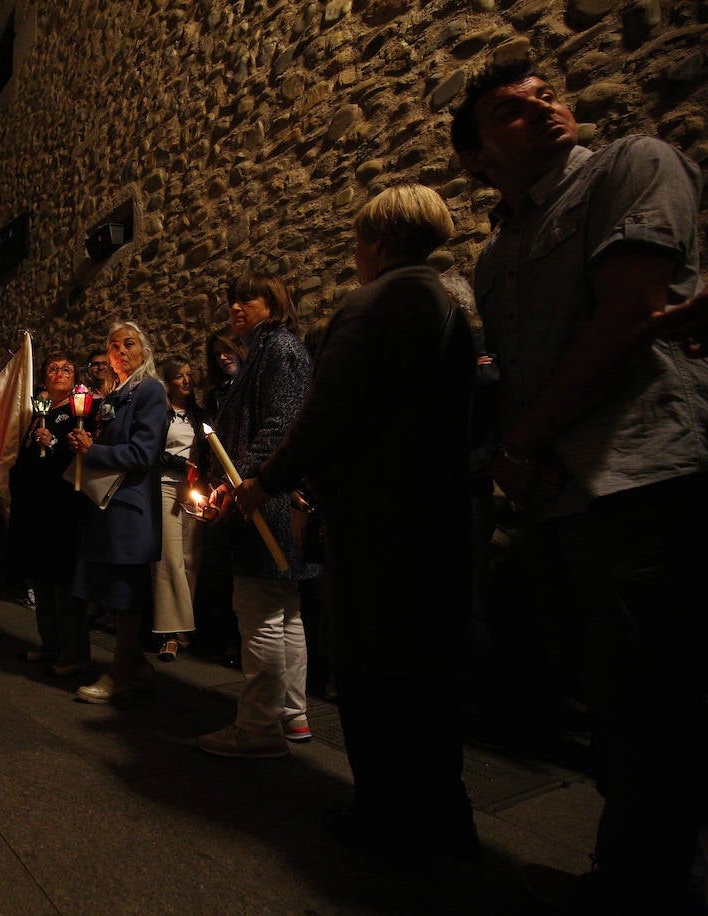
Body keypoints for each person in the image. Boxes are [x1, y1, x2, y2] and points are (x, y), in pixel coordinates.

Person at [450, 57, 708, 913]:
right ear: (476, 157)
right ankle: (636, 874)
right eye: (508, 110)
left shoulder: (631, 165)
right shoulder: (496, 254)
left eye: (543, 95)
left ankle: (644, 889)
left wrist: (521, 440)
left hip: (641, 469)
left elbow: (627, 317)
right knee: (614, 700)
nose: (542, 107)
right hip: (561, 492)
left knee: (655, 699)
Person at [234, 183, 479, 858]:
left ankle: (387, 816)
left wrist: (267, 482)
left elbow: (328, 411)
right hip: (433, 509)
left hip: (378, 516)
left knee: (372, 668)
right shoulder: (450, 300)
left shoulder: (376, 303)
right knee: (427, 673)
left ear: (376, 242)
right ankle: (441, 815)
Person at [198, 272, 319, 759]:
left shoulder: (280, 351)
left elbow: (281, 425)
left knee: (262, 612)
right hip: (262, 491)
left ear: (275, 302)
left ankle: (258, 728)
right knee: (283, 612)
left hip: (264, 498)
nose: (236, 307)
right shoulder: (262, 355)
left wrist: (240, 480)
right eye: (231, 300)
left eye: (248, 298)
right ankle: (291, 715)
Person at [68, 320, 166, 704]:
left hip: (130, 507)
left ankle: (122, 672)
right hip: (109, 505)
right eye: (112, 346)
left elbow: (143, 454)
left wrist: (94, 450)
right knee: (111, 590)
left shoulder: (150, 391)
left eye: (128, 344)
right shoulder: (114, 395)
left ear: (143, 350)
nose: (119, 351)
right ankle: (135, 665)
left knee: (125, 592)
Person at [7, 351, 90, 676]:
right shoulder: (39, 412)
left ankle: (73, 653)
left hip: (61, 506)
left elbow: (73, 455)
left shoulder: (77, 411)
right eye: (53, 369)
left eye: (66, 369)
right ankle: (50, 643)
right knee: (41, 578)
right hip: (35, 508)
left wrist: (53, 442)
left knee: (62, 582)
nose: (59, 373)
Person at [194, 329, 247, 670]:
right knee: (221, 572)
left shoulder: (248, 389)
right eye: (217, 355)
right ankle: (225, 637)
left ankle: (241, 643)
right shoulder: (215, 396)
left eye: (228, 350)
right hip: (219, 484)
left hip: (245, 481)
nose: (224, 357)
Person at [149, 356, 205, 662]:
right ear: (169, 383)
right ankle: (169, 632)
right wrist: (178, 462)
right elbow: (152, 451)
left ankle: (186, 626)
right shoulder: (161, 414)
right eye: (180, 376)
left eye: (189, 374)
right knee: (168, 560)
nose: (186, 380)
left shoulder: (199, 415)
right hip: (166, 486)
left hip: (193, 490)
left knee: (190, 557)